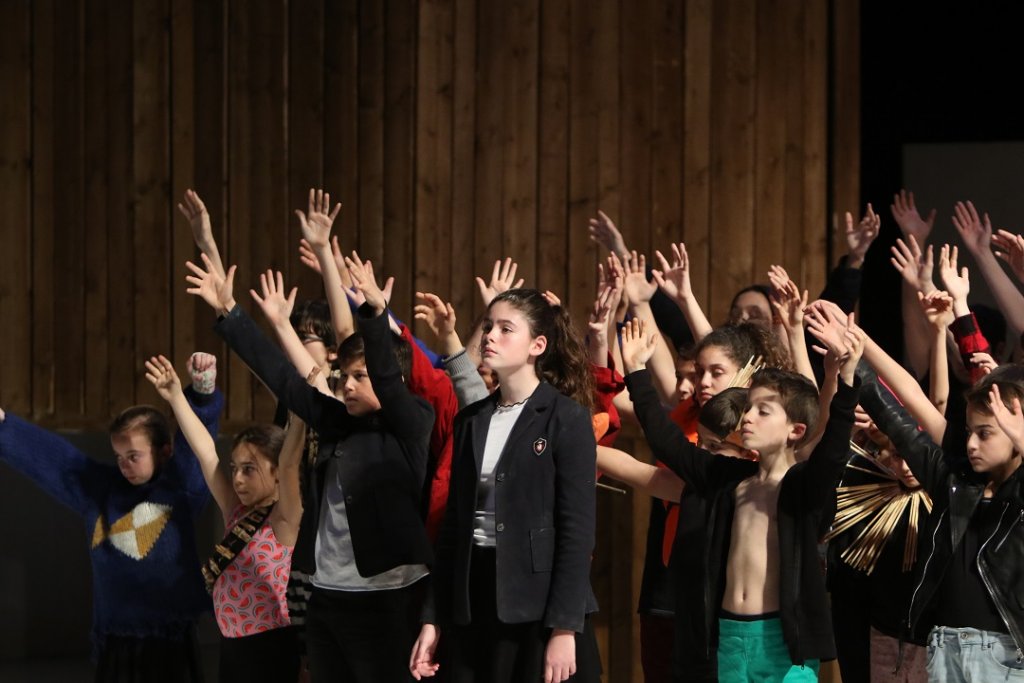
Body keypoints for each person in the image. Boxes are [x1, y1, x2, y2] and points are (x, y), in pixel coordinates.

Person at [185, 252, 434, 683]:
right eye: (346, 377)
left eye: (362, 376)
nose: (349, 385)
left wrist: (374, 314)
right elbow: (283, 378)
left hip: (387, 600)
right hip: (328, 598)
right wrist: (230, 313)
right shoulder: (337, 420)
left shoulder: (410, 423)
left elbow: (390, 385)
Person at [621, 310, 862, 683]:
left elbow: (832, 451)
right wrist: (637, 372)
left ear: (795, 430)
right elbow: (667, 443)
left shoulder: (802, 486)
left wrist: (844, 381)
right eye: (748, 407)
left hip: (781, 644)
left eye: (762, 411)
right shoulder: (726, 478)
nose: (747, 417)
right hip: (730, 638)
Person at [410, 288, 600, 683]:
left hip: (538, 607)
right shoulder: (471, 421)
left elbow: (577, 531)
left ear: (537, 345)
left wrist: (565, 626)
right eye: (488, 326)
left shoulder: (566, 418)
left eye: (505, 328)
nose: (489, 336)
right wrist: (433, 618)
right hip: (473, 600)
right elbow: (453, 530)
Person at [0, 356, 222, 682]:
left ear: (164, 451)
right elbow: (59, 462)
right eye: (119, 457)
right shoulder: (100, 491)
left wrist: (202, 391)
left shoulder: (181, 487)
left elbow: (197, 443)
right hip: (117, 639)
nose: (124, 465)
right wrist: (3, 423)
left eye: (134, 456)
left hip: (169, 643)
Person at [144, 354, 306, 683]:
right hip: (232, 649)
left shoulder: (286, 519)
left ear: (277, 474)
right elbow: (205, 451)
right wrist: (176, 396)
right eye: (235, 469)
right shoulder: (236, 509)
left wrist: (301, 416)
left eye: (250, 469)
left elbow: (291, 462)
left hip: (274, 649)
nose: (238, 479)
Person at [860, 364, 1024, 682]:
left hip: (1003, 653)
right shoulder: (953, 483)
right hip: (943, 646)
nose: (972, 444)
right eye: (969, 432)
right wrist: (855, 367)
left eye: (985, 433)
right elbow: (900, 427)